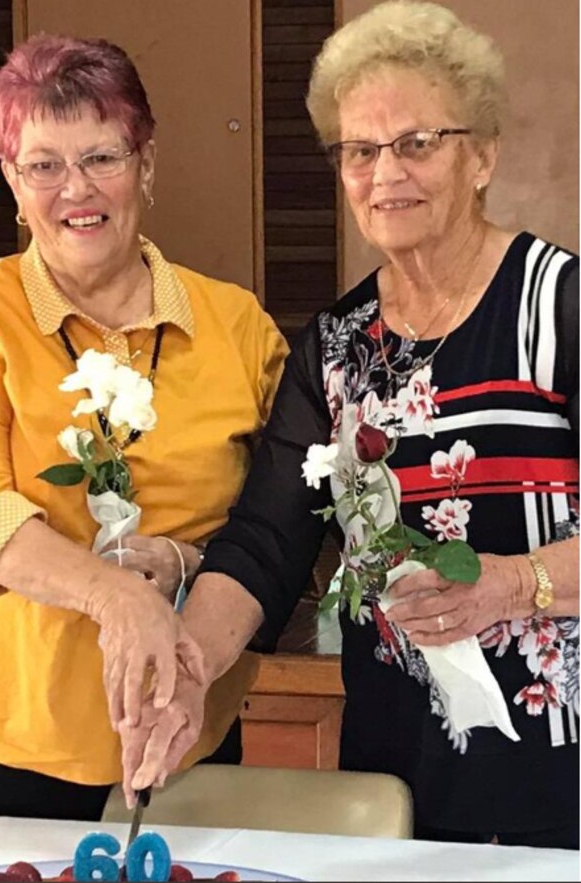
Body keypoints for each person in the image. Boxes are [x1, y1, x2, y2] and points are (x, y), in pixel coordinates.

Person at [122, 1, 580, 849]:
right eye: (359, 150)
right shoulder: (335, 346)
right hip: (396, 762)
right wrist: (189, 668)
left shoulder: (560, 305)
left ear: (482, 155)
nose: (384, 173)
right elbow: (264, 541)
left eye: (416, 143)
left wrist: (514, 583)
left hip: (561, 765)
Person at [0, 34, 288, 821]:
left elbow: (286, 524)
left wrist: (183, 563)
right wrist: (117, 601)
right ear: (12, 184)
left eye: (102, 157)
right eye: (43, 165)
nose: (75, 189)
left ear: (146, 167)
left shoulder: (239, 326)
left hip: (185, 739)